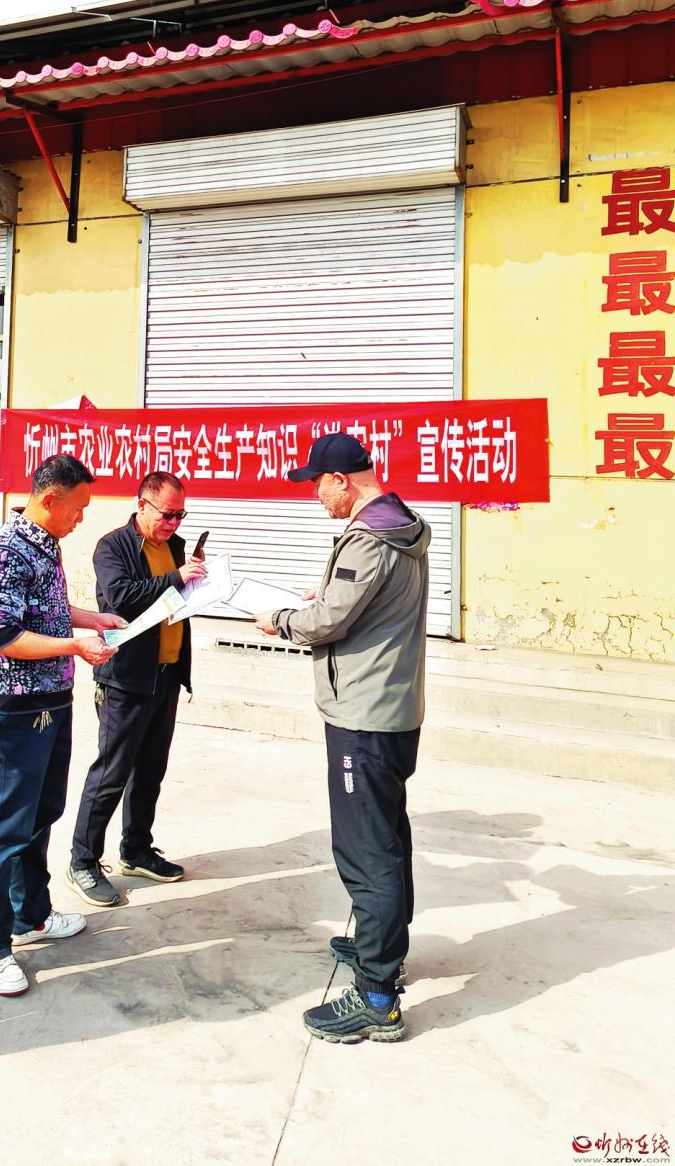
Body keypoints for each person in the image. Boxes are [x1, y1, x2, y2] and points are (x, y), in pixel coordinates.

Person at [254, 432, 430, 1045]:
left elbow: (330, 620)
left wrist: (280, 619)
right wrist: (324, 597)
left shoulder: (368, 537)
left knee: (366, 851)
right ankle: (383, 950)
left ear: (341, 480)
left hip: (363, 715)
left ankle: (377, 996)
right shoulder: (403, 523)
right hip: (392, 708)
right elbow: (357, 603)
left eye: (317, 485)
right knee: (388, 836)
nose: (316, 496)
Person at [0, 454, 123, 996]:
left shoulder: (45, 544)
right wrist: (76, 646)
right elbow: (6, 637)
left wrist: (90, 618)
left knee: (40, 815)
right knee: (2, 827)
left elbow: (46, 609)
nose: (81, 519)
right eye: (77, 509)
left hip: (53, 702)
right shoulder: (4, 552)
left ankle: (29, 914)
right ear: (49, 500)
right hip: (16, 710)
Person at [67, 471, 205, 907]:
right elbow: (122, 597)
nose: (173, 524)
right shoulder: (113, 547)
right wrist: (177, 578)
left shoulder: (175, 546)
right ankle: (83, 861)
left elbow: (176, 596)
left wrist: (200, 584)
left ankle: (137, 850)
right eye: (167, 515)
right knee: (111, 773)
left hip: (165, 674)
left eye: (180, 515)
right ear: (142, 504)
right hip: (125, 679)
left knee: (150, 771)